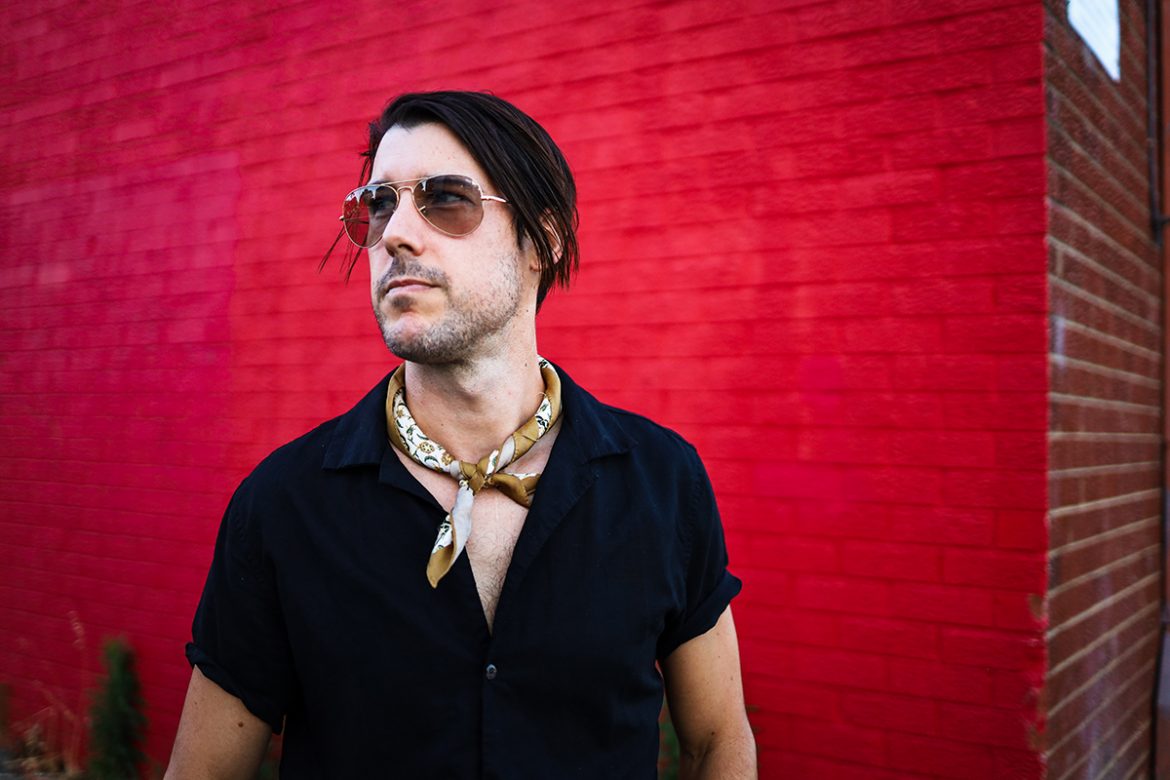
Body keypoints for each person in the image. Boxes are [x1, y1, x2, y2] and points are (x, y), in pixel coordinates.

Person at [165, 90, 755, 779]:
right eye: (379, 204)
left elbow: (718, 739)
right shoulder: (283, 505)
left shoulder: (661, 480)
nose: (395, 233)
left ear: (543, 240)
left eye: (445, 199)